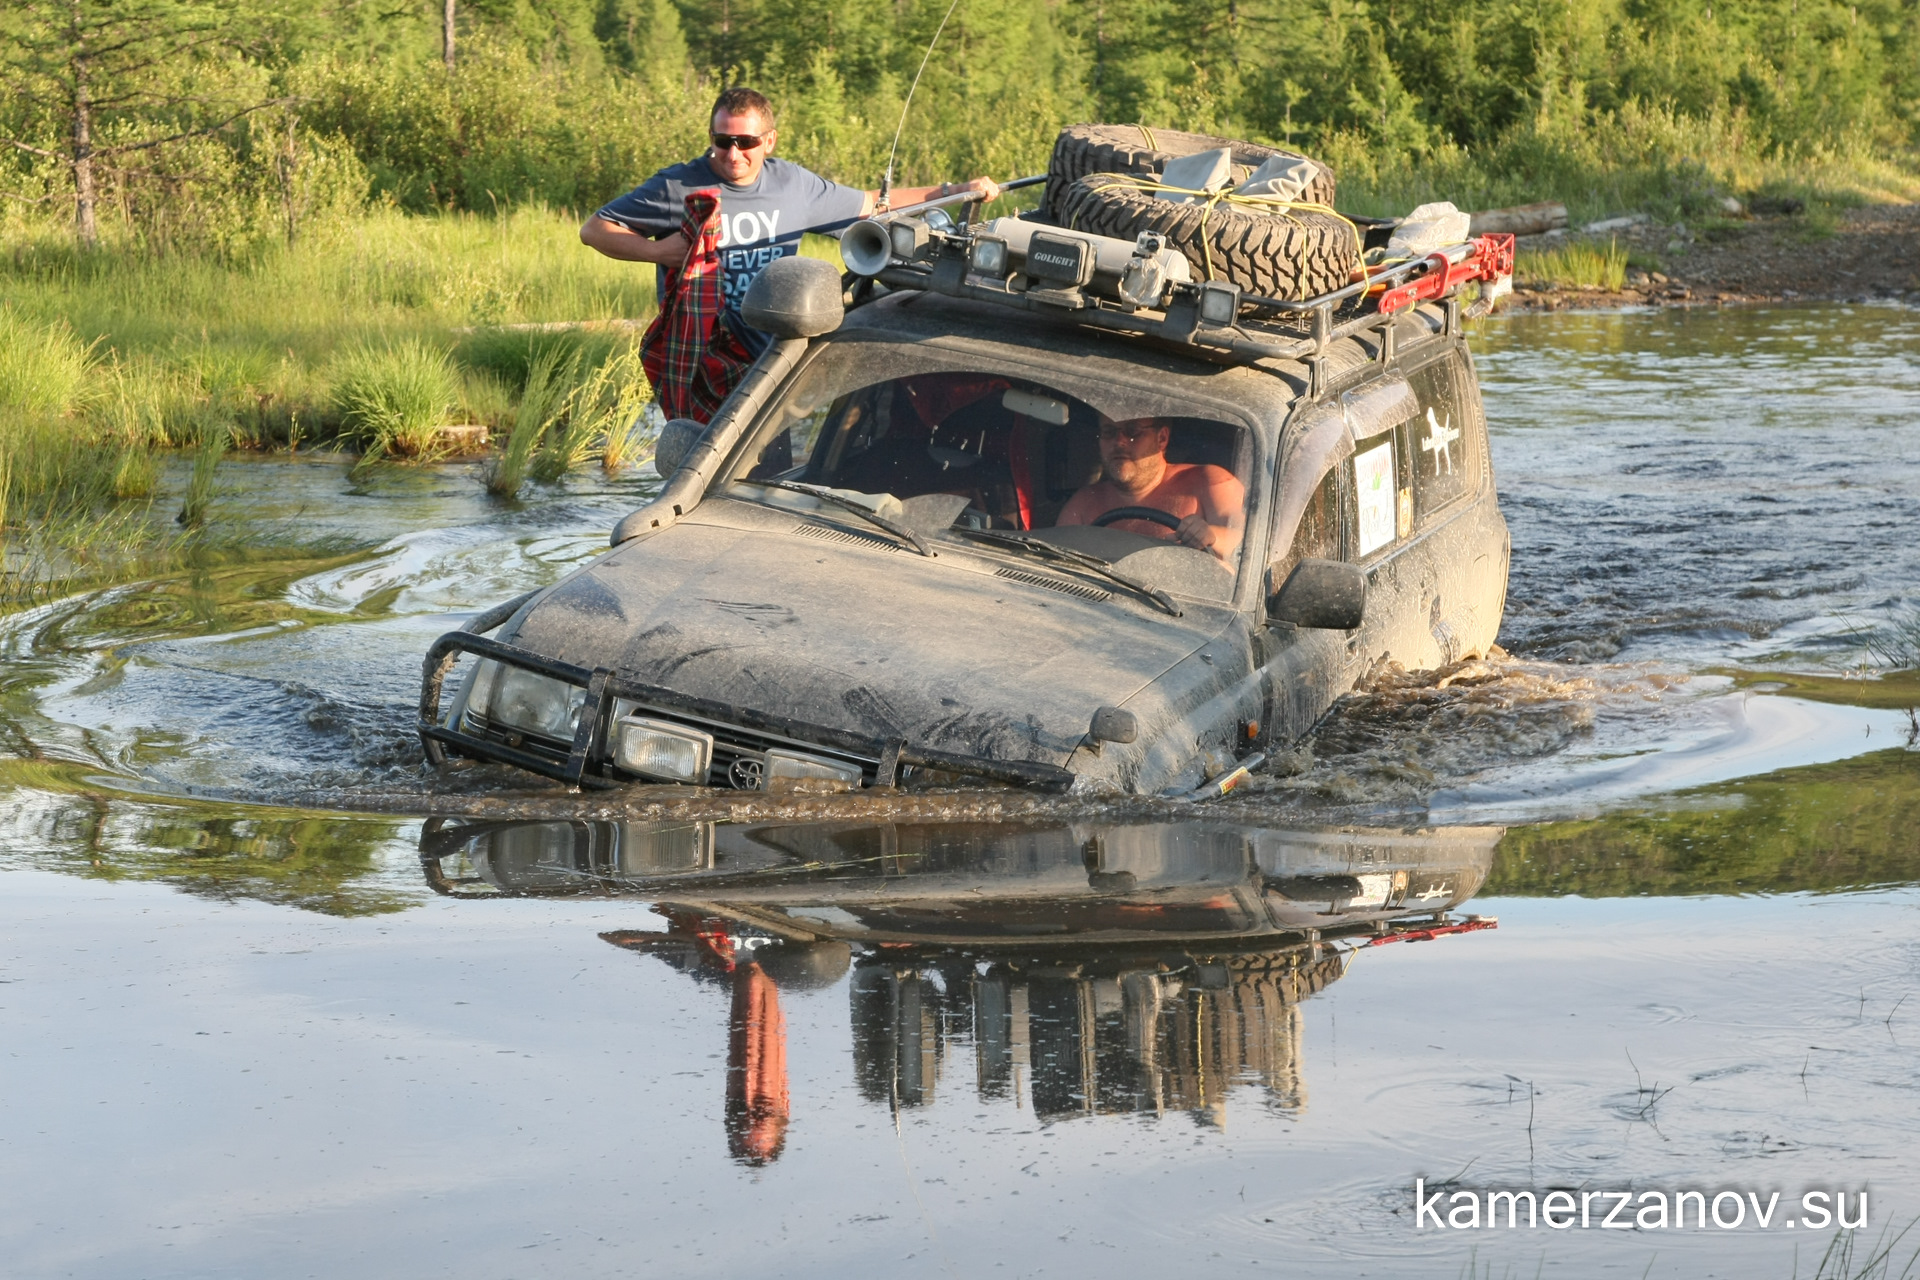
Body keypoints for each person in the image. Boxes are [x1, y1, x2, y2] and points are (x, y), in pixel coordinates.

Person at [580, 86, 1001, 356]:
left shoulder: (793, 185)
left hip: (774, 351)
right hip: (703, 352)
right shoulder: (678, 185)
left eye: (745, 142)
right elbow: (595, 229)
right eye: (721, 141)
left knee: (764, 470)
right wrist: (657, 252)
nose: (732, 154)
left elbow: (873, 204)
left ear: (769, 140)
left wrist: (954, 191)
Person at [1056, 416, 1246, 560]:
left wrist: (1211, 536)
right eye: (1109, 432)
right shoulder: (1083, 503)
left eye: (1132, 432)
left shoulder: (1209, 482)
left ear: (1162, 438)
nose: (1119, 442)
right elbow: (1055, 560)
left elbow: (1246, 546)